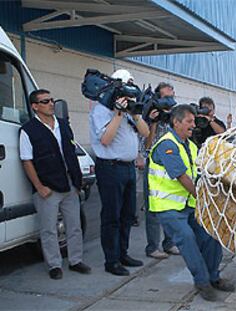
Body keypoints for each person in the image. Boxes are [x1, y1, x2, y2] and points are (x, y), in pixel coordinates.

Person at [148, 104, 234, 301]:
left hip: (188, 205)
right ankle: (202, 282)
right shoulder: (167, 145)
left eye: (194, 121)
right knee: (187, 239)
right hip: (168, 207)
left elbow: (201, 174)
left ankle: (214, 277)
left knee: (210, 235)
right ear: (176, 122)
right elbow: (182, 177)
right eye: (189, 121)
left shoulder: (191, 146)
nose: (193, 125)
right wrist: (202, 197)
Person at [19, 89, 91, 279]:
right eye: (45, 101)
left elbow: (71, 152)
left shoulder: (63, 125)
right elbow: (27, 161)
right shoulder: (28, 130)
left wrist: (78, 180)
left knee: (74, 225)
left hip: (70, 184)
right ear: (35, 106)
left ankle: (76, 261)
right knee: (49, 229)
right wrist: (40, 187)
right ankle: (54, 265)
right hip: (47, 187)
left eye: (52, 100)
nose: (51, 104)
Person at [89, 69, 150, 276]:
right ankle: (111, 260)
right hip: (110, 168)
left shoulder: (130, 110)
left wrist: (134, 113)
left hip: (128, 168)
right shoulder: (101, 110)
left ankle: (123, 253)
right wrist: (117, 113)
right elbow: (105, 140)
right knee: (111, 216)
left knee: (127, 215)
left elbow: (145, 132)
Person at [143, 82, 179, 259]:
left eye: (171, 97)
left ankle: (170, 243)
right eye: (165, 98)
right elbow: (146, 145)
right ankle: (152, 247)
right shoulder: (151, 116)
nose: (169, 101)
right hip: (154, 167)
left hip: (170, 165)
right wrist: (153, 122)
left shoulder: (173, 117)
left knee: (171, 205)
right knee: (154, 209)